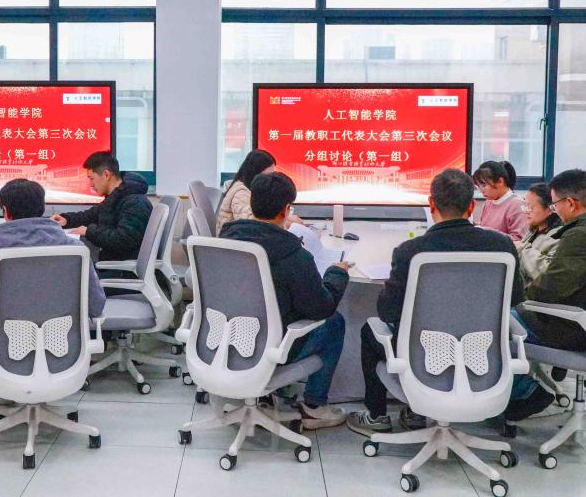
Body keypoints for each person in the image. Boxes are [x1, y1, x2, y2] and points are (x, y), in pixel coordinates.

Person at [347, 169, 525, 437]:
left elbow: (387, 311)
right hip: (483, 353)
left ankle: (377, 416)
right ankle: (416, 413)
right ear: (471, 206)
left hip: (422, 355)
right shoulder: (502, 246)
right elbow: (515, 298)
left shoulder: (411, 251)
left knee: (371, 331)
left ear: (431, 204)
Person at [220, 172, 350, 430]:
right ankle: (314, 407)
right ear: (285, 210)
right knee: (334, 322)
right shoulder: (293, 255)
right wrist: (336, 273)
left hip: (225, 340)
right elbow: (321, 308)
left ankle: (266, 395)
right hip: (270, 348)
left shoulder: (225, 241)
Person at [505, 169, 586, 420]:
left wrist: (520, 296)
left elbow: (549, 290)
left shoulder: (582, 236)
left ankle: (524, 392)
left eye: (555, 205)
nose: (556, 211)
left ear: (571, 204)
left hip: (570, 327)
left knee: (493, 322)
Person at [0, 178, 106, 326]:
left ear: (5, 211)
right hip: (66, 339)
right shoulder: (76, 251)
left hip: (4, 340)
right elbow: (96, 306)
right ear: (42, 208)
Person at [52, 152, 151, 263]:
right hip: (112, 261)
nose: (91, 184)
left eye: (92, 178)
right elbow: (90, 215)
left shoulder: (135, 203)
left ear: (106, 175)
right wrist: (66, 220)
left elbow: (123, 239)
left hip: (120, 268)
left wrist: (89, 231)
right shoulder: (115, 198)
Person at [517, 182, 563, 286]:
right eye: (525, 206)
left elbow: (548, 273)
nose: (526, 211)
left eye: (530, 207)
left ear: (549, 209)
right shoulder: (534, 230)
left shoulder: (558, 236)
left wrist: (521, 248)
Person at [473, 160, 529, 243]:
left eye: (484, 185)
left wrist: (489, 232)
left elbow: (519, 240)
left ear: (500, 181)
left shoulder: (517, 204)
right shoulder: (488, 202)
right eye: (479, 186)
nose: (481, 190)